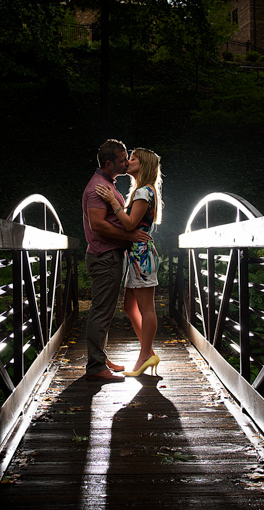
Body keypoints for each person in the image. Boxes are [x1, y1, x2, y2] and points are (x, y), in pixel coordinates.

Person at [82, 139, 150, 382]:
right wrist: (128, 235)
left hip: (109, 255)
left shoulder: (107, 183)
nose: (126, 162)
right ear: (109, 163)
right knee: (101, 311)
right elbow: (97, 224)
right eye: (122, 160)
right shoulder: (97, 188)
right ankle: (95, 367)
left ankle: (99, 357)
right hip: (104, 256)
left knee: (106, 310)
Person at [95, 147, 163, 377]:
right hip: (135, 256)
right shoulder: (142, 191)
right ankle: (149, 351)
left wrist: (112, 202)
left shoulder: (144, 192)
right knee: (129, 306)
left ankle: (145, 354)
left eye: (132, 159)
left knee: (146, 308)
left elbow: (130, 224)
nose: (128, 162)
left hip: (141, 256)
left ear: (142, 165)